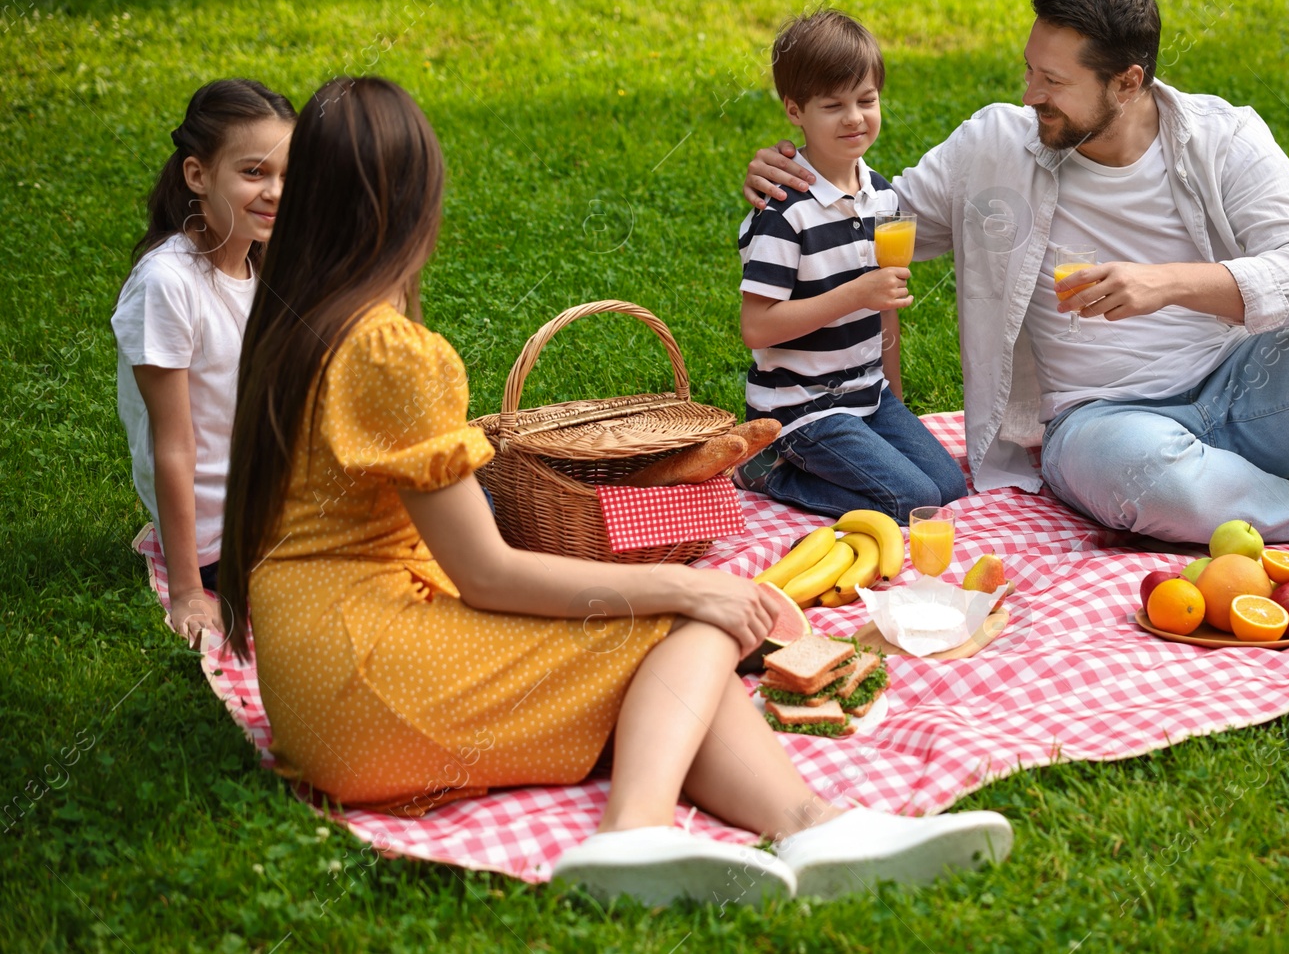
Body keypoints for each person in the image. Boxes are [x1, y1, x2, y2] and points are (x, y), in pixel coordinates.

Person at [216, 76, 1012, 905]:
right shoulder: (390, 351)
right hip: (369, 687)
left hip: (310, 675)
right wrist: (689, 582)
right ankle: (633, 835)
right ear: (415, 204)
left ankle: (818, 828)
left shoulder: (291, 321)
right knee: (683, 627)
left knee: (669, 674)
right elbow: (487, 572)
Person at [744, 0, 1289, 576]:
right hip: (1102, 423)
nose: (1030, 94)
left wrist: (1169, 281)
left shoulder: (1225, 137)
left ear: (1128, 80)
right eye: (1029, 70)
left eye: (1053, 80)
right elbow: (875, 224)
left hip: (1244, 382)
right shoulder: (996, 145)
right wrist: (794, 178)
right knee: (1145, 479)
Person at [735, 9, 966, 522]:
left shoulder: (883, 198)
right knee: (913, 502)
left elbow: (885, 310)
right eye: (833, 105)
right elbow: (757, 327)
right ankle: (770, 470)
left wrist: (896, 404)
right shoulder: (784, 212)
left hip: (868, 393)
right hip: (798, 408)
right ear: (795, 110)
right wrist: (858, 292)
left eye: (867, 100)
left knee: (949, 488)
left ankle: (861, 447)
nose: (854, 118)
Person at [112, 79, 296, 647]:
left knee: (469, 500)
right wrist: (190, 590)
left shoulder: (261, 269)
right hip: (227, 539)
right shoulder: (168, 284)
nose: (274, 192)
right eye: (253, 173)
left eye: (288, 175)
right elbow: (175, 446)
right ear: (197, 175)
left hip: (279, 509)